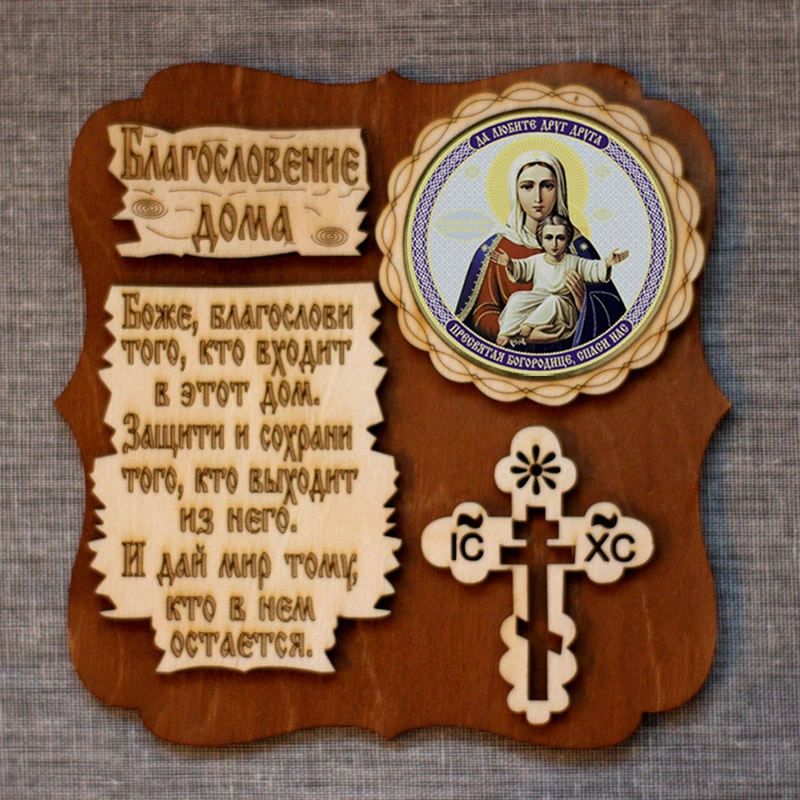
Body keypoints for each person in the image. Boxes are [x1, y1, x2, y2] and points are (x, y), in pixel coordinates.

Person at [454, 151, 625, 351]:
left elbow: (612, 318)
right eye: (527, 187)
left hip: (565, 351)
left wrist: (583, 302)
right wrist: (521, 337)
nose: (538, 197)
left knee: (553, 302)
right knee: (518, 300)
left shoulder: (576, 247)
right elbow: (481, 313)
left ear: (559, 190)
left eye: (547, 186)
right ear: (515, 192)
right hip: (512, 354)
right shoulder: (496, 249)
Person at [494, 215, 629, 346]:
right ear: (541, 240)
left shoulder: (574, 261)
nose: (554, 244)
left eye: (560, 238)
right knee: (517, 298)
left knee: (554, 300)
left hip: (563, 308)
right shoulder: (537, 260)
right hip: (539, 299)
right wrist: (509, 264)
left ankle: (528, 326)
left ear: (567, 241)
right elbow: (521, 268)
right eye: (548, 238)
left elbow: (593, 268)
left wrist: (607, 263)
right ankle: (506, 332)